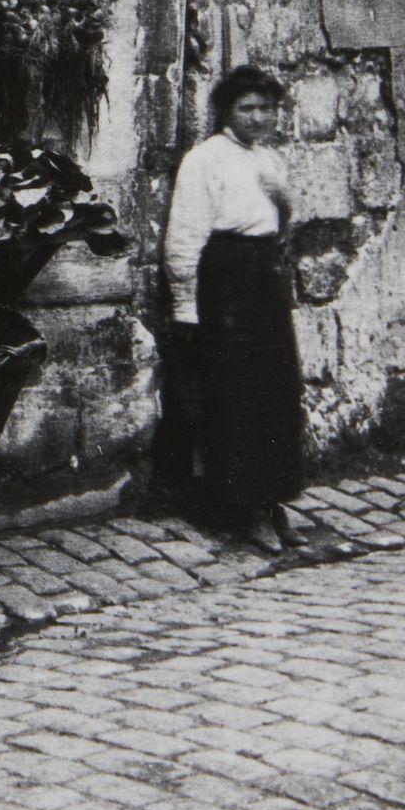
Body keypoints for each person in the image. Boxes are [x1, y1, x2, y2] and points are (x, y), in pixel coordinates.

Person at [163, 64, 308, 549]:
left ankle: (274, 499)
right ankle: (244, 508)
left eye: (266, 108)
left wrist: (285, 205)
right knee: (237, 394)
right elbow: (184, 236)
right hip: (226, 281)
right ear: (226, 111)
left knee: (276, 390)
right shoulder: (205, 160)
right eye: (247, 108)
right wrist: (186, 305)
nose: (258, 117)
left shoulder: (268, 159)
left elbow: (281, 224)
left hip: (264, 278)